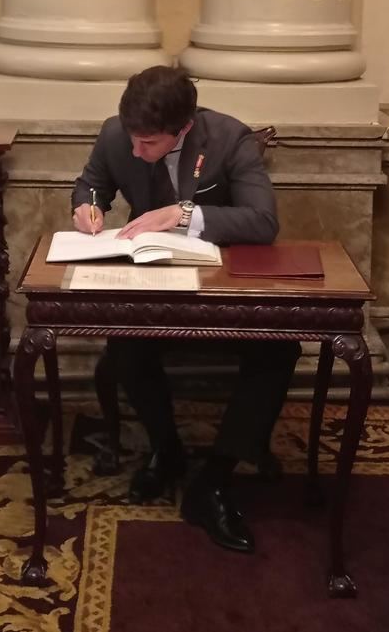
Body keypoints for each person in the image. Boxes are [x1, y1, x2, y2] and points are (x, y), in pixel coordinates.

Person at [71, 65, 301, 554]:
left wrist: (184, 213)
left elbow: (263, 221)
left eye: (149, 143)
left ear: (184, 127)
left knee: (280, 349)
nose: (137, 151)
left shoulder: (230, 139)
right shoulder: (116, 135)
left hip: (221, 289)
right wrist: (88, 206)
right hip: (150, 281)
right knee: (125, 346)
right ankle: (166, 449)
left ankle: (215, 477)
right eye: (132, 139)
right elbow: (91, 184)